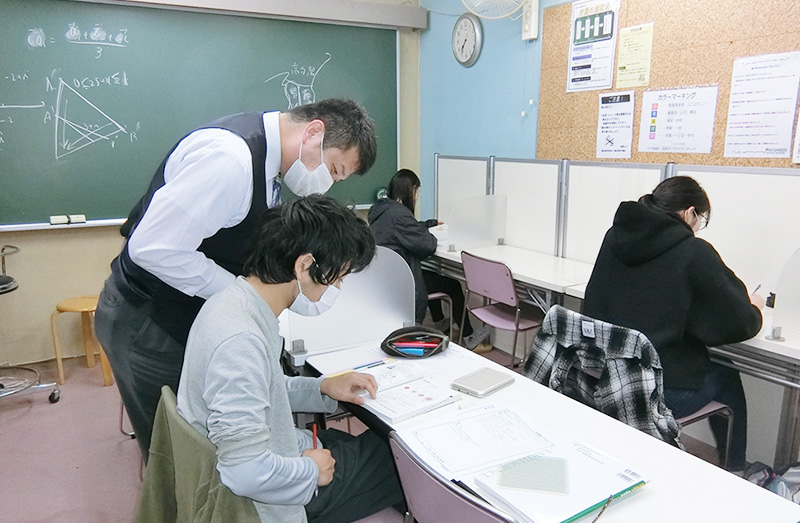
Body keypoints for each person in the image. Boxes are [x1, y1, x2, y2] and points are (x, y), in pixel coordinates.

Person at [95, 99, 377, 458]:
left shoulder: (266, 163)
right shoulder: (230, 160)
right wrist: (246, 296)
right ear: (314, 132)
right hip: (149, 321)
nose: (329, 183)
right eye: (334, 169)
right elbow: (154, 249)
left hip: (180, 317)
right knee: (177, 454)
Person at [177, 195, 403, 523]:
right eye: (338, 275)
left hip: (276, 452)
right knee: (396, 456)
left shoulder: (235, 304)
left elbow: (265, 388)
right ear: (304, 266)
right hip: (267, 498)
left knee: (354, 442)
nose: (338, 284)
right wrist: (310, 470)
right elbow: (245, 473)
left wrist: (323, 387)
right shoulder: (240, 340)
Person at [582, 176, 764, 471]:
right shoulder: (694, 251)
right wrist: (754, 307)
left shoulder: (614, 237)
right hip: (656, 394)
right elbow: (738, 322)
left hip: (601, 378)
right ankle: (736, 469)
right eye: (701, 219)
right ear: (690, 213)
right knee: (727, 371)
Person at [367, 169, 490, 350]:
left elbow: (407, 229)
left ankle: (440, 322)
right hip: (405, 283)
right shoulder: (400, 215)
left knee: (432, 276)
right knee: (453, 285)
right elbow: (428, 245)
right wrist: (430, 233)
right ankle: (470, 337)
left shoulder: (382, 211)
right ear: (412, 190)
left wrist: (429, 224)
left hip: (391, 279)